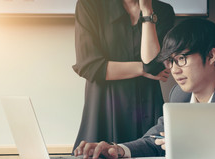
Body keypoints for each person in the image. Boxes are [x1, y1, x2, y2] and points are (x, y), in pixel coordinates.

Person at [74, 18, 215, 159]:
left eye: (181, 59)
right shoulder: (179, 95)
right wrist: (118, 149)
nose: (175, 70)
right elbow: (155, 140)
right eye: (171, 61)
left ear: (210, 56)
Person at [72, 0, 175, 150]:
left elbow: (153, 63)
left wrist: (147, 11)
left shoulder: (163, 10)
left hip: (147, 105)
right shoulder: (90, 4)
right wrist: (143, 69)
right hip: (103, 106)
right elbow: (89, 66)